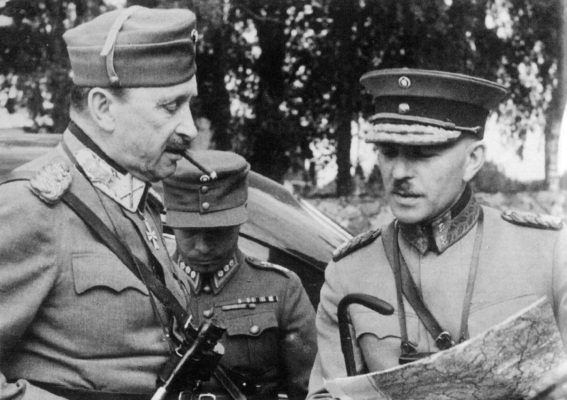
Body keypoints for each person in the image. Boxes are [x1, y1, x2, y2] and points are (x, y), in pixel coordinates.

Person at [307, 68, 567, 399]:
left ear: (473, 160)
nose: (399, 173)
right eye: (388, 152)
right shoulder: (348, 273)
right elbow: (326, 393)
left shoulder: (548, 252)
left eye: (423, 154)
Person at [0, 6, 201, 400]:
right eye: (170, 106)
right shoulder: (31, 208)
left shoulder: (138, 203)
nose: (190, 127)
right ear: (103, 109)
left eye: (189, 104)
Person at [162, 150, 318, 400]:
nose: (202, 246)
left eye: (217, 232)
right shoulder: (150, 285)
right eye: (189, 232)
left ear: (239, 222)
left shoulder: (281, 289)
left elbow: (311, 389)